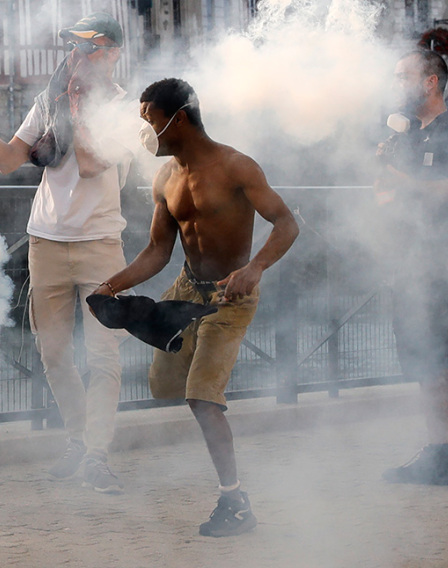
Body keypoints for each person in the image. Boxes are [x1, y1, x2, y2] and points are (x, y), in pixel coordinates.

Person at [93, 78, 299, 536]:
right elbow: (156, 251)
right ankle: (209, 390)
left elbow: (287, 223)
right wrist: (110, 286)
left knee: (202, 399)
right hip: (187, 289)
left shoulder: (236, 166)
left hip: (232, 296)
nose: (144, 131)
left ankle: (236, 501)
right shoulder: (165, 177)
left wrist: (255, 269)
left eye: (148, 119)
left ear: (177, 119)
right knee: (164, 384)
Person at [0, 12, 132, 493]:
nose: (77, 57)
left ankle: (97, 454)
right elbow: (8, 159)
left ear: (112, 54)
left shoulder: (124, 108)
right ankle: (77, 439)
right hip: (45, 241)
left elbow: (91, 164)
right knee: (52, 354)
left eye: (88, 49)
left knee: (103, 356)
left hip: (100, 245)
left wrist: (75, 103)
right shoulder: (49, 103)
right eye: (73, 48)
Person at [375, 50, 448, 494]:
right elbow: (382, 196)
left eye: (403, 76)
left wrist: (408, 188)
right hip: (409, 266)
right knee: (424, 364)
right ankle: (436, 456)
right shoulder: (400, 136)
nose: (396, 84)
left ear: (430, 83)